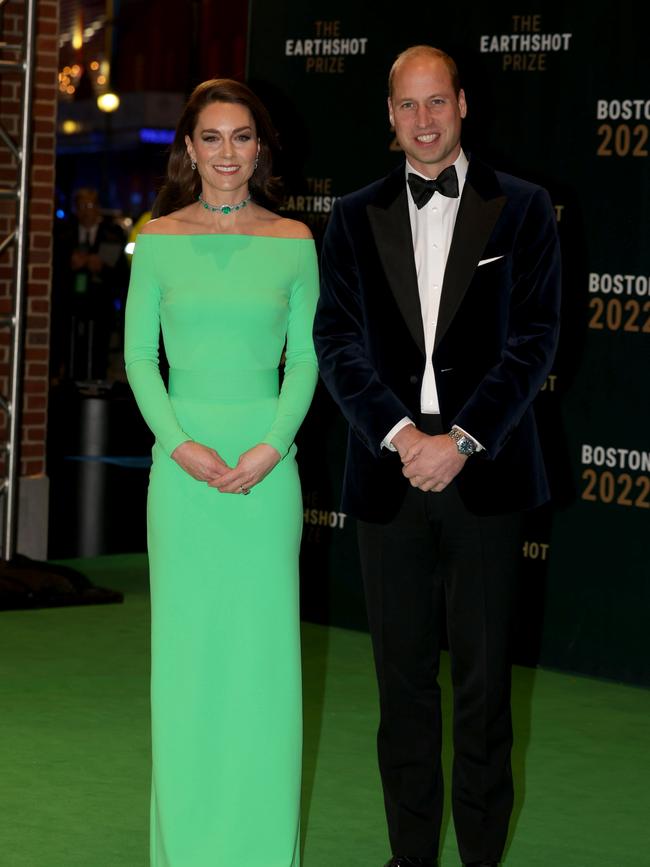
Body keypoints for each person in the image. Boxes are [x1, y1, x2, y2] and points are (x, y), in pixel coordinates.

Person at [313, 45, 561, 867]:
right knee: (403, 688)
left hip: (483, 473)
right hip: (389, 473)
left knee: (486, 690)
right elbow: (337, 343)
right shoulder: (351, 215)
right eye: (407, 106)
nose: (423, 120)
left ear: (462, 104)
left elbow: (532, 344)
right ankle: (410, 856)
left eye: (437, 103)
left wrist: (458, 440)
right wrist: (400, 435)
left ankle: (482, 858)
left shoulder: (523, 208)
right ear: (389, 115)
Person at [124, 79, 318, 866]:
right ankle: (189, 846)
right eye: (212, 137)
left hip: (268, 479)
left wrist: (272, 446)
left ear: (260, 149)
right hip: (182, 479)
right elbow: (139, 357)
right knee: (188, 664)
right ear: (189, 148)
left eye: (242, 137)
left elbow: (305, 357)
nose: (228, 153)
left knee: (263, 668)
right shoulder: (158, 237)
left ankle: (263, 847)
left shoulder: (296, 240)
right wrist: (179, 445)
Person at [51, 187, 128, 381]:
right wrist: (69, 263)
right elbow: (52, 269)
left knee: (98, 358)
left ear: (98, 208)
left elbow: (122, 275)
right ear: (76, 209)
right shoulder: (63, 233)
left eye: (91, 205)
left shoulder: (113, 234)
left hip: (100, 309)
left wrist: (101, 267)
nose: (87, 210)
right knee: (70, 357)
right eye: (82, 205)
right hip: (70, 310)